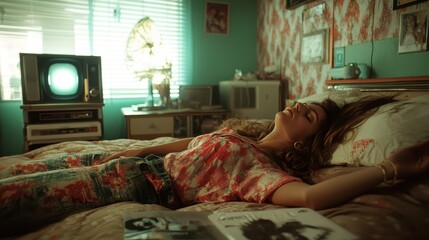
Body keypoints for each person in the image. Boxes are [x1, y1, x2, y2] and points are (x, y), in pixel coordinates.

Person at [106, 95, 429, 210]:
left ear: (302, 144)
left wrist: (388, 169)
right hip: (132, 164)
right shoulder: (238, 135)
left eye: (309, 116)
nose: (299, 105)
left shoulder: (260, 169)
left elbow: (310, 198)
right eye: (305, 105)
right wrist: (140, 148)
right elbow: (188, 142)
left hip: (141, 186)